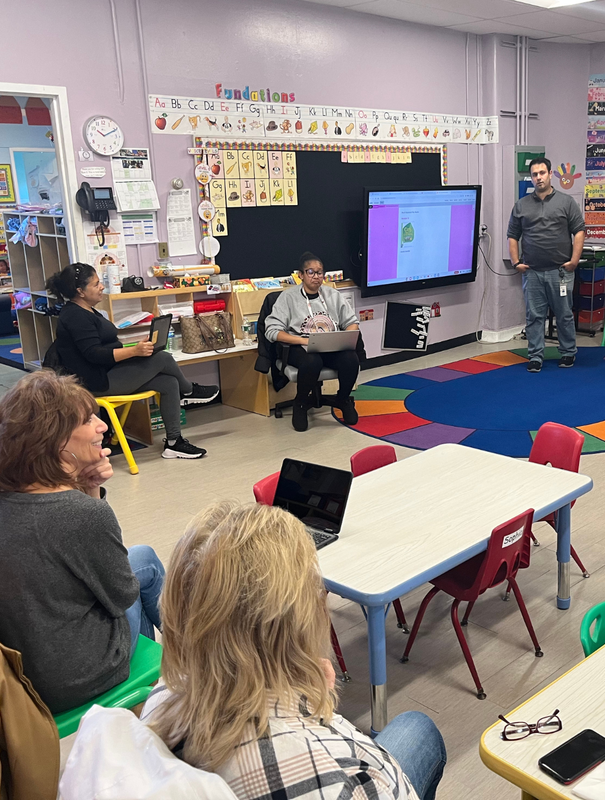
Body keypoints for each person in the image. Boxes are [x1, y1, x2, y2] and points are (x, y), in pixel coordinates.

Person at [142, 501, 446, 800]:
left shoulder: (163, 698)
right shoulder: (346, 783)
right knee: (418, 727)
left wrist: (295, 692)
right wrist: (319, 709)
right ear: (300, 620)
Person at [0, 371, 165, 714]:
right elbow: (121, 593)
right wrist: (92, 499)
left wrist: (86, 488)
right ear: (57, 440)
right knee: (145, 563)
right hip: (78, 677)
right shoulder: (80, 514)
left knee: (141, 558)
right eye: (89, 420)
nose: (101, 426)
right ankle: (201, 663)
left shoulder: (12, 496)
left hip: (23, 681)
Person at [47, 263, 218, 459]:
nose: (101, 287)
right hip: (95, 382)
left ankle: (174, 443)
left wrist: (135, 350)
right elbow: (94, 354)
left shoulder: (88, 310)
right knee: (163, 357)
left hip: (110, 371)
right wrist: (134, 351)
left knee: (169, 382)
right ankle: (188, 390)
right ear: (80, 291)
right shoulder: (75, 316)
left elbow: (106, 347)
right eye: (96, 285)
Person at [265, 251, 361, 431]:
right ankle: (300, 403)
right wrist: (301, 340)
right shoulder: (288, 298)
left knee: (350, 358)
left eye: (320, 272)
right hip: (299, 346)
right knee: (312, 361)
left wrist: (345, 337)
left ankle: (343, 399)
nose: (316, 277)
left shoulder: (332, 294)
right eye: (311, 272)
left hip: (330, 344)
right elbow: (272, 331)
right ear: (300, 275)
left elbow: (352, 322)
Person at [507, 157, 586, 373]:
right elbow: (512, 235)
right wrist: (516, 263)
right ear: (531, 178)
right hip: (532, 272)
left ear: (550, 174)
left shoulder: (566, 202)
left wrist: (574, 260)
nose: (538, 177)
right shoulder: (521, 205)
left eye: (542, 173)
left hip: (560, 271)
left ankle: (568, 353)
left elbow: (579, 230)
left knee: (564, 314)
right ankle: (535, 356)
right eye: (534, 174)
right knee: (534, 316)